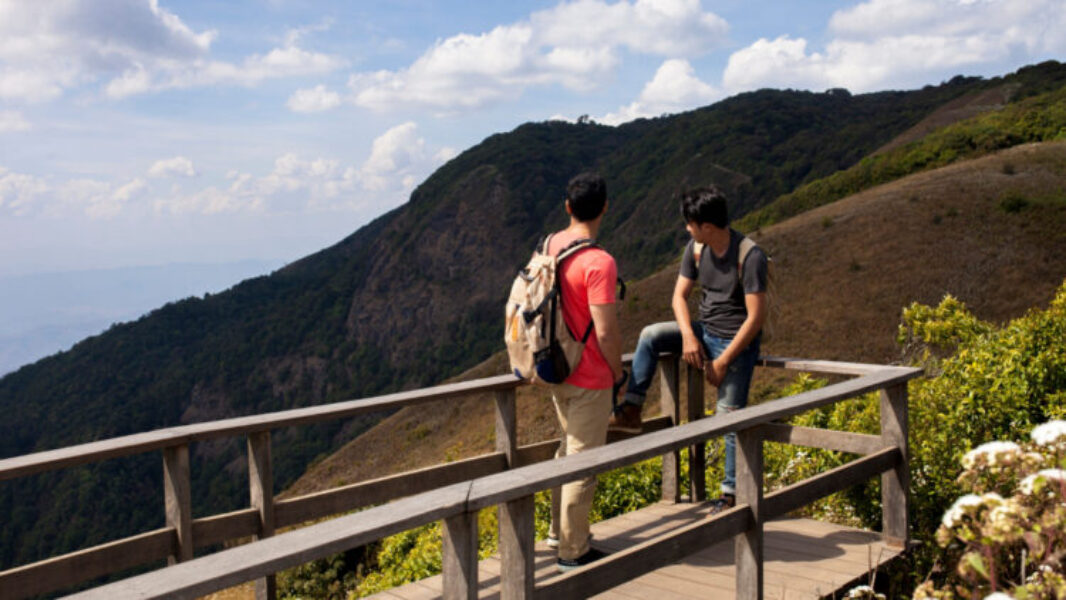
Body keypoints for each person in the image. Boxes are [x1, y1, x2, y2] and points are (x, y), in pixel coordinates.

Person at [608, 185, 767, 514]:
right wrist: (689, 337)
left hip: (736, 343)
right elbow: (679, 297)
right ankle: (633, 408)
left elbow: (755, 318)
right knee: (651, 335)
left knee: (728, 416)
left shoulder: (749, 256)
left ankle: (730, 494)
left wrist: (723, 360)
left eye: (691, 223)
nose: (687, 228)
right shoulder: (696, 249)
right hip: (705, 332)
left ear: (707, 226)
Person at [544, 171, 624, 572]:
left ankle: (559, 533)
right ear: (606, 207)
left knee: (566, 451)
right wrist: (617, 373)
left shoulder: (551, 244)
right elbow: (606, 331)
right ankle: (572, 552)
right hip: (590, 376)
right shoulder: (599, 262)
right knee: (582, 462)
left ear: (568, 207)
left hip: (557, 368)